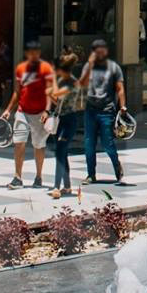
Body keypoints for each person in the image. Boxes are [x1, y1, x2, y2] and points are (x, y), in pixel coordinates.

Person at [0, 41, 54, 189]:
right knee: (19, 142)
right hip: (22, 111)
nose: (33, 55)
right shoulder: (21, 68)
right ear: (27, 54)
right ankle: (17, 177)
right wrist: (8, 110)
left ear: (39, 53)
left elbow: (49, 92)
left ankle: (39, 177)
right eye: (30, 52)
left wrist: (47, 110)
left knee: (38, 145)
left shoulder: (46, 68)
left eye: (36, 52)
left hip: (40, 113)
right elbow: (17, 92)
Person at [81, 38, 128, 185]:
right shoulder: (88, 66)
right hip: (90, 110)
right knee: (89, 144)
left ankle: (117, 167)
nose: (99, 54)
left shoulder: (114, 68)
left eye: (102, 51)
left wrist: (123, 107)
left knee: (108, 143)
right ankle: (91, 174)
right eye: (97, 51)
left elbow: (120, 89)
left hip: (107, 111)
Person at [50, 48, 84, 198]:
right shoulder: (62, 81)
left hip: (70, 120)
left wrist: (52, 81)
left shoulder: (72, 83)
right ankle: (68, 186)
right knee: (61, 152)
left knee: (60, 151)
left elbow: (56, 94)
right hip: (60, 120)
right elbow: (56, 100)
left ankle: (56, 187)